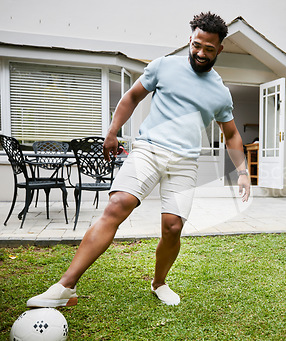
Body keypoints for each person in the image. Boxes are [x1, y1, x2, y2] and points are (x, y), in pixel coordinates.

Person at [27, 12, 250, 308]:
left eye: (209, 49)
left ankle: (159, 283)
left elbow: (232, 134)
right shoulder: (163, 67)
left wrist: (242, 172)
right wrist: (112, 131)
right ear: (190, 39)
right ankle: (65, 286)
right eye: (197, 45)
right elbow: (131, 97)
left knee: (172, 227)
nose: (200, 53)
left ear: (220, 49)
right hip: (148, 149)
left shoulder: (220, 93)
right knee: (118, 204)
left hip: (185, 161)